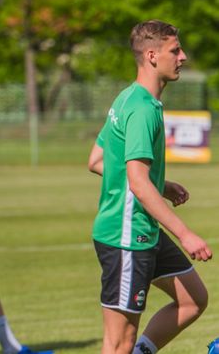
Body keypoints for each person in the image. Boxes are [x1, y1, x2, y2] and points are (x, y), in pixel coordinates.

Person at [87, 20, 212, 354]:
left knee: (193, 299)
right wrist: (185, 234)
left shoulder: (129, 98)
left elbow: (96, 160)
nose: (183, 57)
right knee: (118, 344)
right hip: (126, 236)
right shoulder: (142, 109)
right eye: (175, 50)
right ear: (153, 56)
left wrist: (161, 184)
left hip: (144, 231)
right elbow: (138, 184)